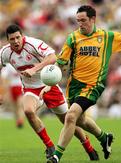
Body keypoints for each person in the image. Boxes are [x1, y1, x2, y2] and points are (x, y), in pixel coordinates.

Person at [44, 5, 121, 163]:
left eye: (83, 20)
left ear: (93, 19)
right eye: (78, 20)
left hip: (94, 85)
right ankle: (104, 137)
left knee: (71, 116)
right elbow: (60, 64)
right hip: (74, 86)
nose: (80, 23)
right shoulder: (72, 38)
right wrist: (49, 83)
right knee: (80, 121)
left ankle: (56, 157)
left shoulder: (106, 37)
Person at [0, 24, 99, 161]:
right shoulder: (5, 52)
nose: (16, 41)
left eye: (18, 37)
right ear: (8, 40)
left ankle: (89, 148)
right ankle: (50, 146)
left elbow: (53, 57)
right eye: (12, 39)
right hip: (30, 88)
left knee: (68, 120)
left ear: (22, 36)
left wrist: (35, 69)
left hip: (48, 85)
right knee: (28, 111)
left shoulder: (33, 44)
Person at [1, 63, 24, 128]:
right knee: (14, 106)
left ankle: (20, 120)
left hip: (20, 86)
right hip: (11, 87)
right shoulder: (8, 66)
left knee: (20, 104)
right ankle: (17, 120)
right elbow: (4, 77)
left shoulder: (20, 62)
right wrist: (5, 89)